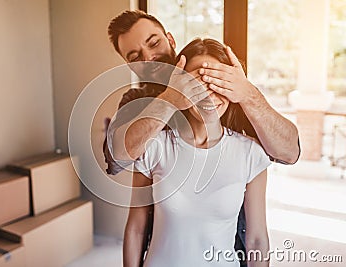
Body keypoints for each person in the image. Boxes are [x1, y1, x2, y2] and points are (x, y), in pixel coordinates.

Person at [104, 10, 300, 267]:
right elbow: (116, 158)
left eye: (154, 43)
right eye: (136, 57)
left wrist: (248, 94)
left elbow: (290, 152)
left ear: (170, 40)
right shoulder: (134, 104)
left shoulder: (228, 95)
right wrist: (170, 100)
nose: (150, 57)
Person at [124, 38, 270, 266]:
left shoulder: (250, 153)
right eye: (197, 84)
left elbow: (257, 239)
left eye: (217, 83)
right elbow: (136, 229)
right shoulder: (154, 147)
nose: (208, 94)